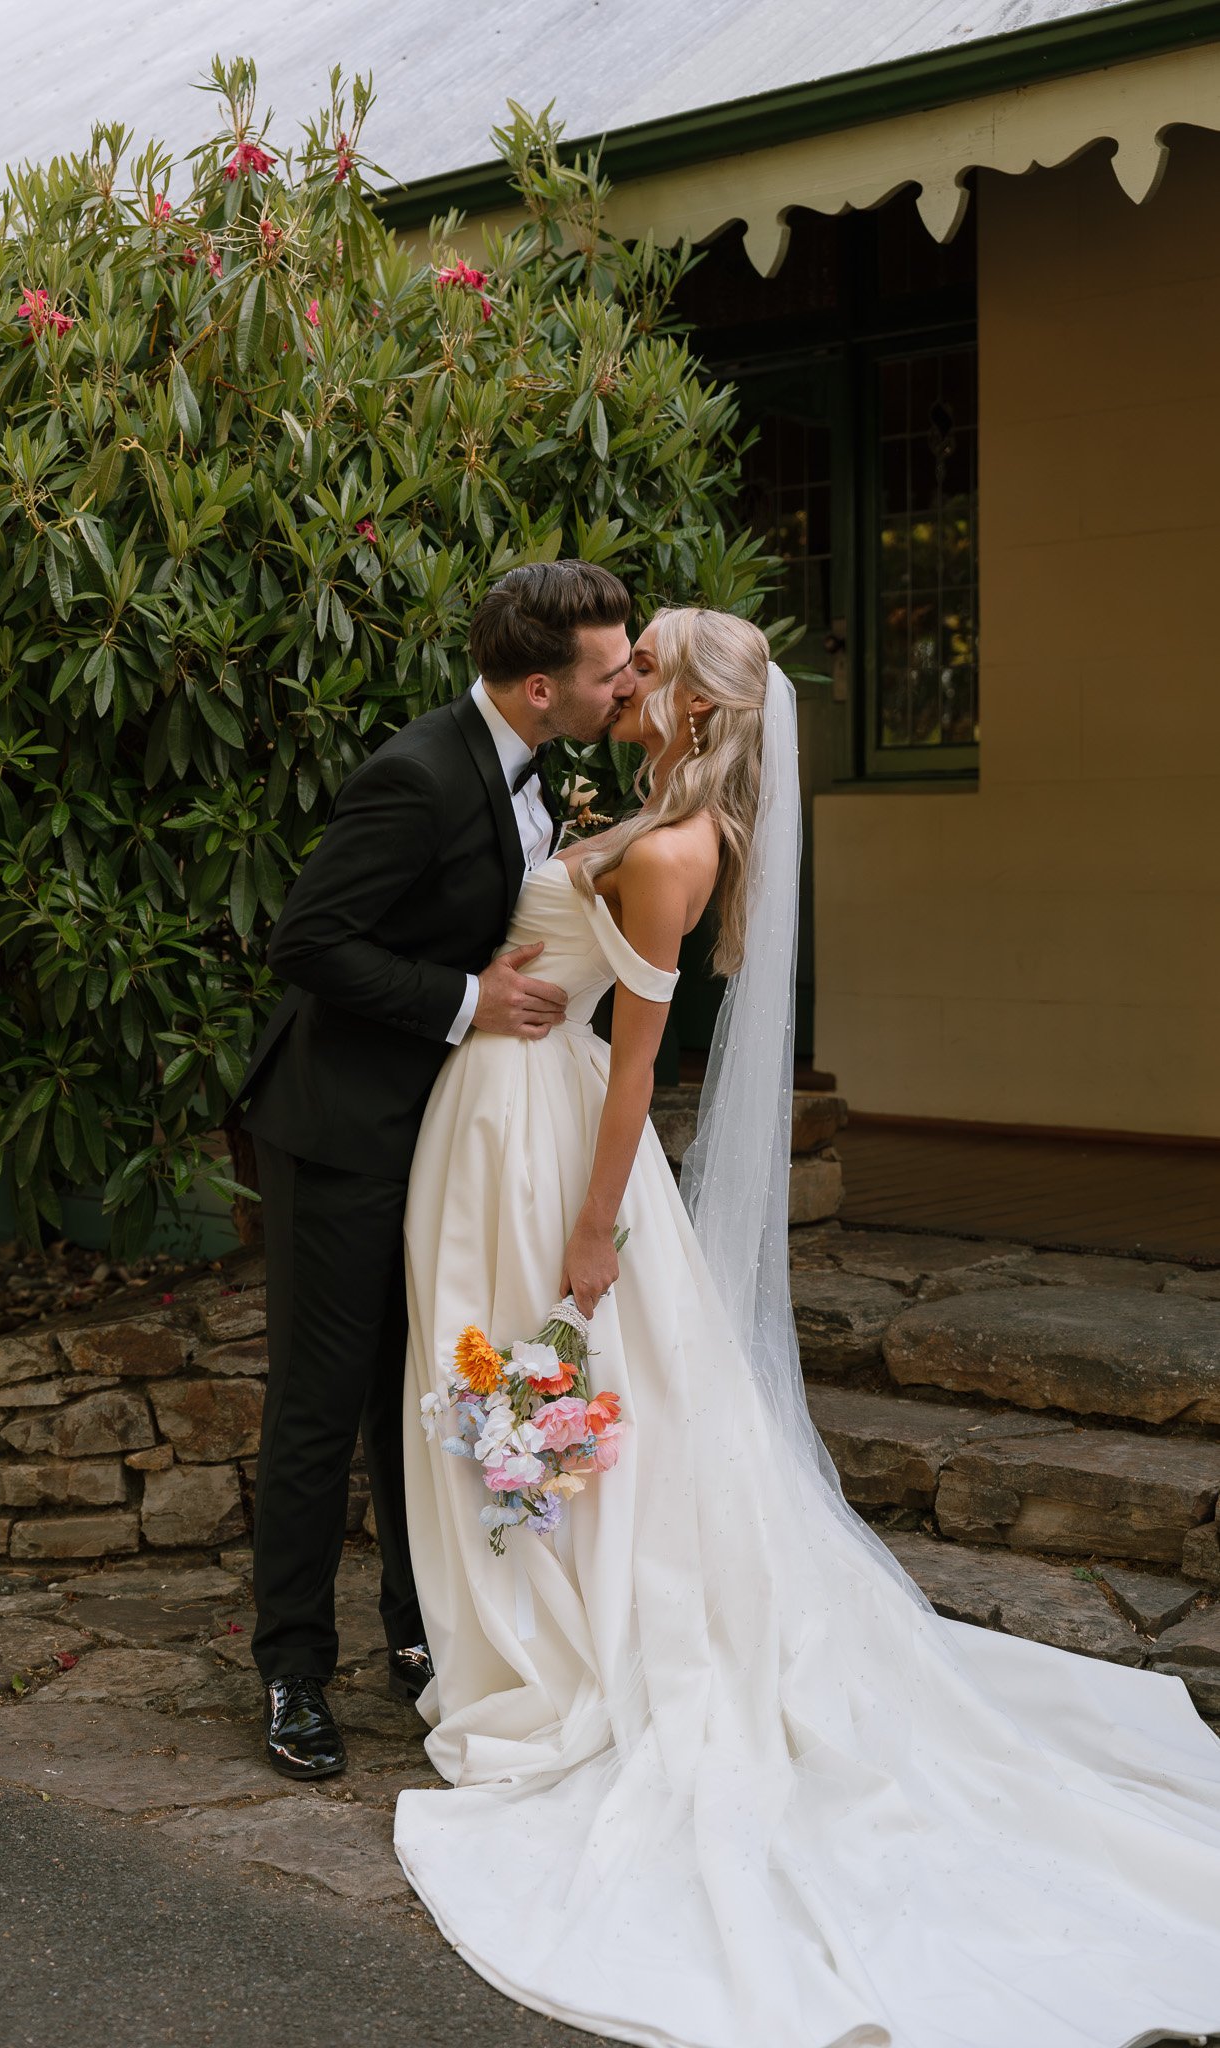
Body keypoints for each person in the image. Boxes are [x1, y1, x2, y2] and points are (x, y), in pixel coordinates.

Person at [395, 605, 1220, 2048]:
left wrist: (594, 1229)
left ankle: (555, 1644)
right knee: (529, 1399)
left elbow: (637, 1064)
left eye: (647, 658)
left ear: (700, 709)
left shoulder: (668, 848)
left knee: (544, 1395)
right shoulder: (647, 808)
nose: (626, 673)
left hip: (560, 1148)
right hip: (503, 1118)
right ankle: (529, 1622)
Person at [227, 560, 636, 1779]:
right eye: (608, 672)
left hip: (452, 1132)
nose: (624, 686)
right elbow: (308, 938)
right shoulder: (413, 773)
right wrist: (466, 998)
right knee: (320, 1399)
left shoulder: (550, 763)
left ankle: (421, 1631)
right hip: (345, 1128)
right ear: (536, 685)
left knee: (421, 1384)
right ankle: (294, 1667)